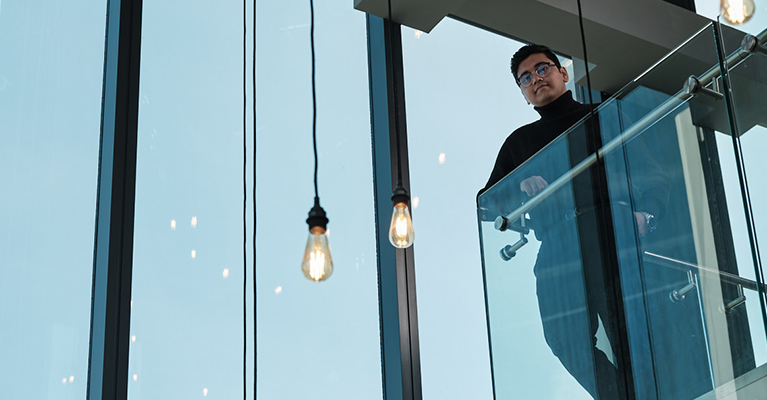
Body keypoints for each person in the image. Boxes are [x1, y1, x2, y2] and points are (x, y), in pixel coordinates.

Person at [478, 44, 670, 399]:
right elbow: (486, 204)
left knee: (627, 331)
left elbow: (652, 176)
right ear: (522, 93)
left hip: (609, 230)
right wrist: (519, 186)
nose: (535, 79)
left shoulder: (604, 115)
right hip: (558, 244)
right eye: (525, 78)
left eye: (542, 69)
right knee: (564, 339)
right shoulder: (520, 143)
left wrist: (647, 216)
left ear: (563, 73)